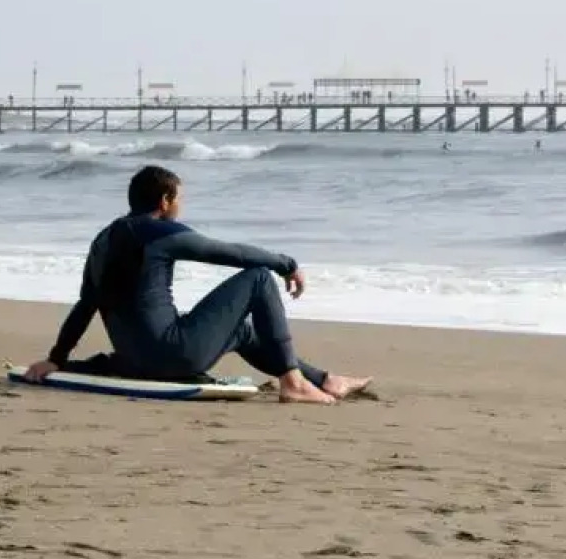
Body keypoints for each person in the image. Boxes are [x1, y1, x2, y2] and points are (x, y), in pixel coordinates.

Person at [22, 165, 370, 405]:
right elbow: (229, 253)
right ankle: (293, 384)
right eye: (179, 200)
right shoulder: (160, 233)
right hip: (173, 356)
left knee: (242, 332)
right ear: (164, 201)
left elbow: (85, 306)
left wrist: (57, 359)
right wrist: (286, 264)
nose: (180, 206)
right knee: (259, 279)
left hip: (133, 361)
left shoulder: (102, 241)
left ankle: (325, 380)